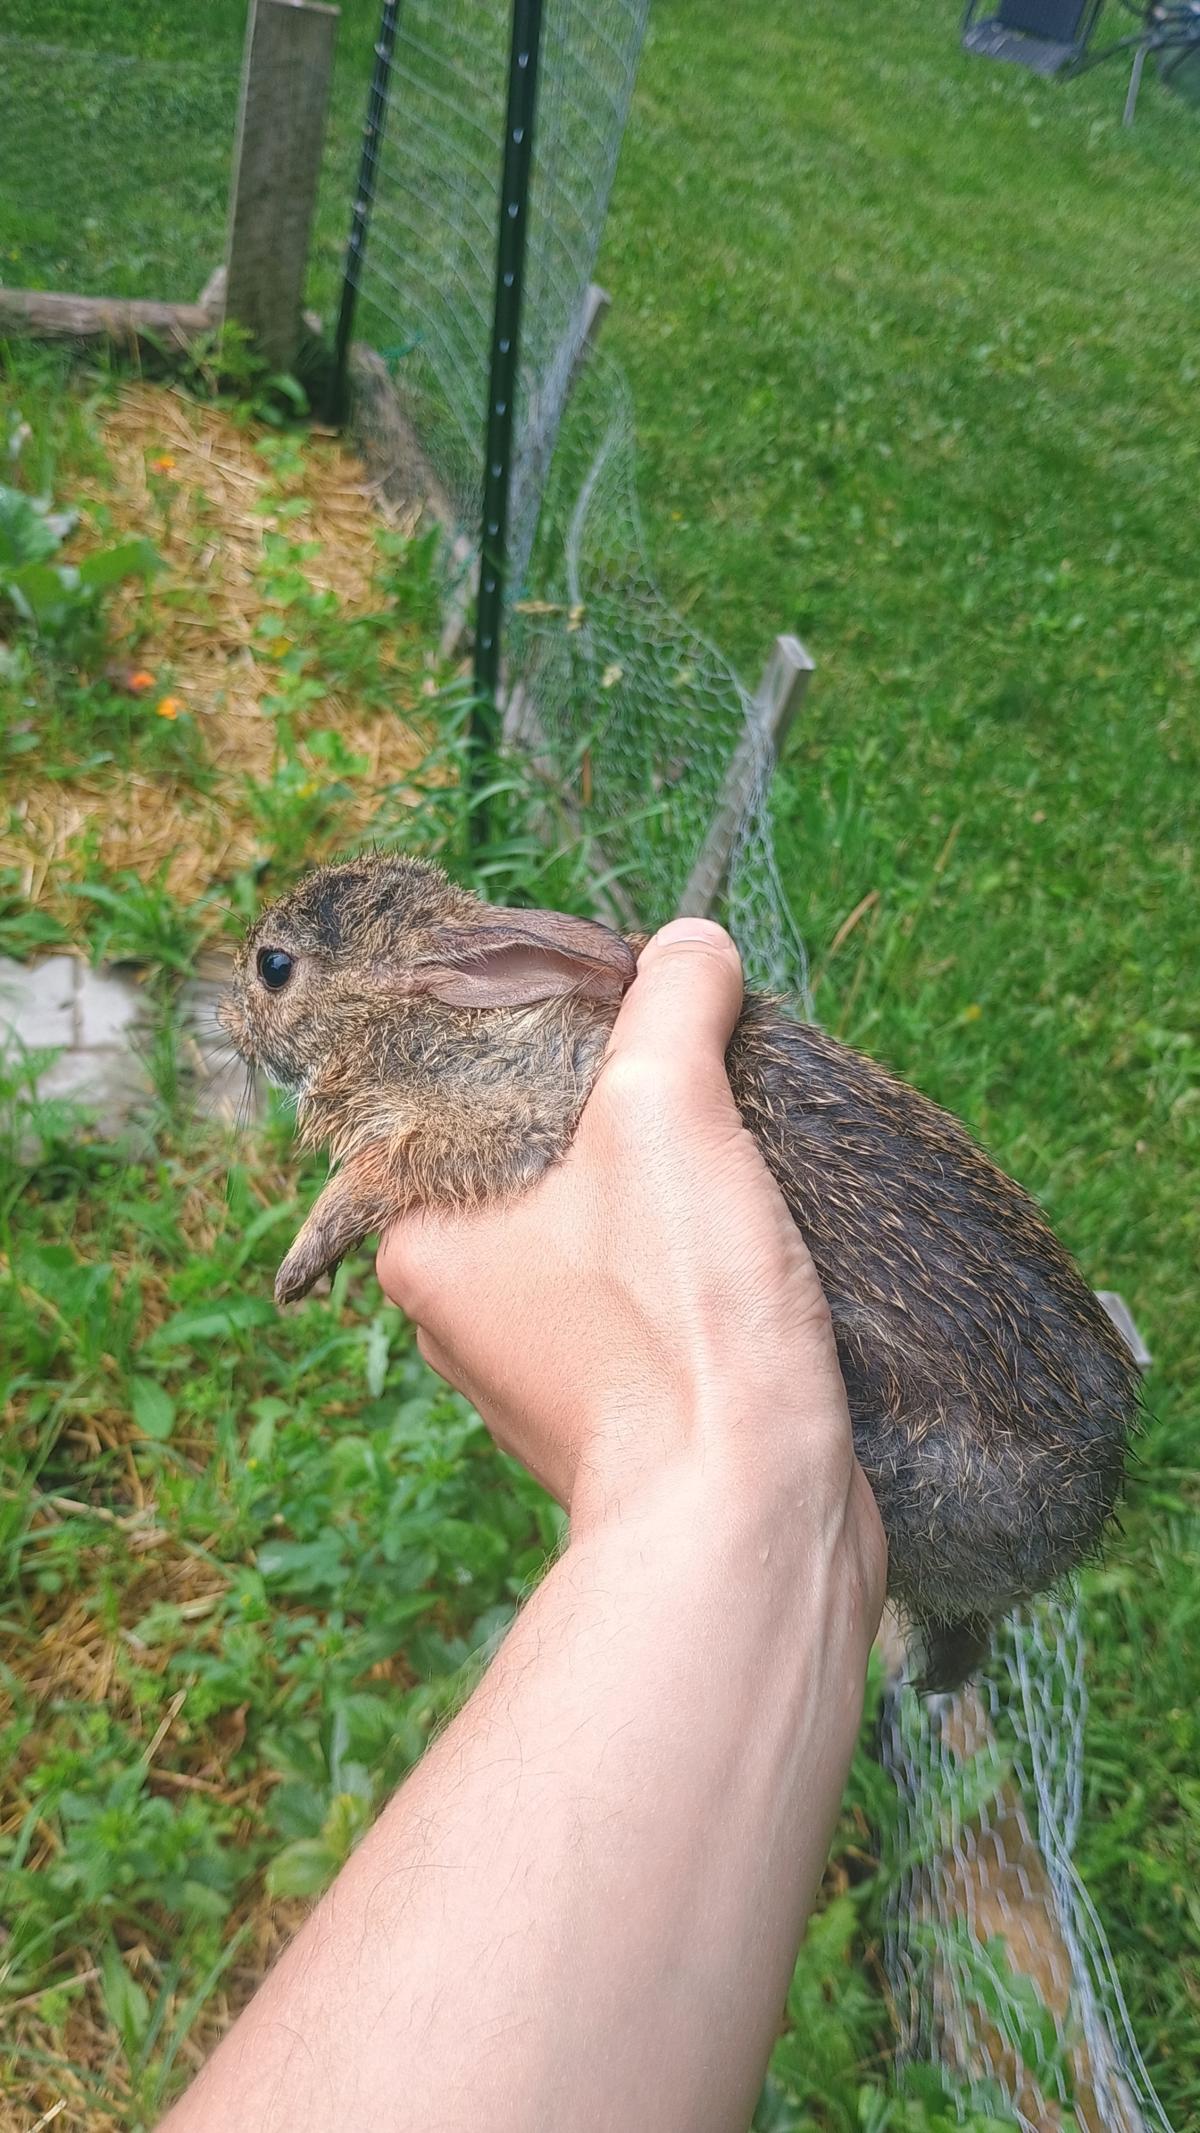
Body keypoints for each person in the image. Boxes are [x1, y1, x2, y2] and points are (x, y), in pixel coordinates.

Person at [162, 919, 887, 2133]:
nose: (246, 1010)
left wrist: (721, 1467)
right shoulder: (422, 1034)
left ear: (409, 978)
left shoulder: (449, 1042)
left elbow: (512, 1125)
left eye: (274, 973)